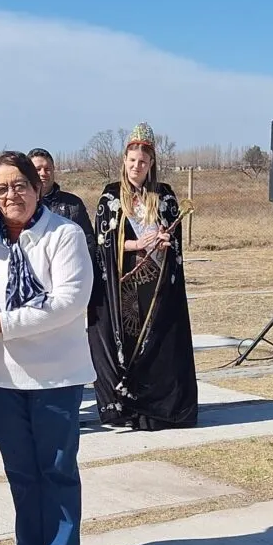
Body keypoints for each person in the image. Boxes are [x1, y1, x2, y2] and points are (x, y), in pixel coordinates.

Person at [0, 150, 94, 545]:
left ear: (37, 188)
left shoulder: (65, 234)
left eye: (20, 185)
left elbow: (70, 300)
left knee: (56, 469)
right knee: (20, 471)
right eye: (1, 188)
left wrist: (6, 322)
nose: (11, 194)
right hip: (1, 375)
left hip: (55, 374)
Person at [88, 122, 198, 431]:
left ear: (151, 165)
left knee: (158, 343)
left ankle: (160, 409)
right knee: (133, 344)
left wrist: (164, 241)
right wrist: (138, 243)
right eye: (133, 161)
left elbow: (174, 242)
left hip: (158, 282)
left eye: (144, 162)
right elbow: (104, 242)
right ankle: (128, 407)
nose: (137, 166)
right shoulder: (111, 197)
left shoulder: (163, 196)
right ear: (124, 161)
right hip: (127, 285)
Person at [28, 148, 95, 256]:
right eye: (38, 169)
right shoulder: (21, 206)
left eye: (47, 168)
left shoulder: (73, 204)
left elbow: (88, 242)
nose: (43, 173)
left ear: (53, 169)